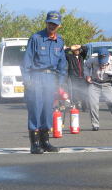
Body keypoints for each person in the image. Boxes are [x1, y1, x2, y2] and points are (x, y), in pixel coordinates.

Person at [21, 11, 67, 154]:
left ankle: (45, 141)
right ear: (46, 23)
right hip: (36, 77)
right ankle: (34, 144)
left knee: (48, 110)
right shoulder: (36, 38)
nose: (52, 26)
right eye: (50, 23)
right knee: (35, 109)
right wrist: (27, 82)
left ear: (59, 26)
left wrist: (59, 84)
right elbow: (26, 62)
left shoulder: (60, 42)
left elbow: (62, 65)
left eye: (55, 24)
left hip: (50, 79)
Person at [65, 44, 87, 111]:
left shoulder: (82, 56)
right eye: (75, 50)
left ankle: (84, 107)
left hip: (82, 77)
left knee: (83, 92)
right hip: (74, 77)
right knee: (75, 92)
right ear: (73, 51)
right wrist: (70, 47)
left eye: (78, 50)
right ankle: (76, 105)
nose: (77, 51)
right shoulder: (70, 57)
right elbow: (64, 52)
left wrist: (79, 46)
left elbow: (86, 49)